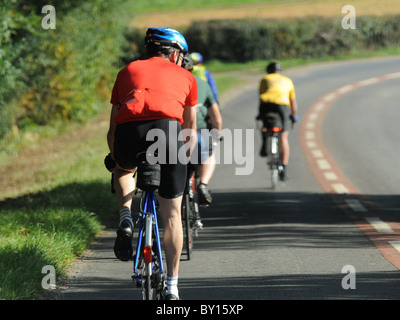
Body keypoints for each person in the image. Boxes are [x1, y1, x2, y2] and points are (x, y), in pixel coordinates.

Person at [106, 28, 198, 300]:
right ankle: (172, 286)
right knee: (171, 213)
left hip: (128, 133)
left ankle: (125, 216)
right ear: (175, 53)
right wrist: (186, 161)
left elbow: (112, 128)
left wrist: (115, 157)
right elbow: (189, 128)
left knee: (124, 169)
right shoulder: (186, 76)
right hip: (167, 131)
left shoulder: (126, 72)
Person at [183, 54, 223, 207]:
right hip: (198, 130)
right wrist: (216, 135)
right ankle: (203, 185)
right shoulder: (202, 84)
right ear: (192, 68)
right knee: (208, 155)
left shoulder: (166, 83)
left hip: (171, 130)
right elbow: (216, 117)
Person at [257, 61, 298, 180]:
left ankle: (264, 144)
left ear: (268, 71)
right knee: (283, 137)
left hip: (266, 105)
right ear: (280, 71)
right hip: (282, 107)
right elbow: (293, 102)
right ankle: (283, 168)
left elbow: (261, 96)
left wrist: (260, 114)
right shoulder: (287, 80)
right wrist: (294, 116)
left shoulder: (264, 79)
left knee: (265, 125)